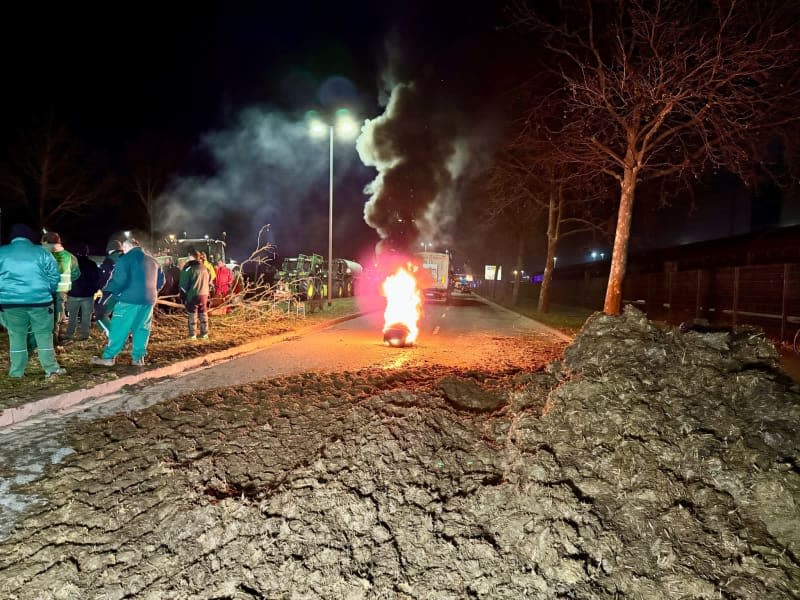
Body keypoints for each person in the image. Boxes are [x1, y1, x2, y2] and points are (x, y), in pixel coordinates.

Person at [0, 224, 65, 378]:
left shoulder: (2, 252)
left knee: (16, 335)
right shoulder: (41, 252)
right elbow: (54, 276)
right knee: (43, 335)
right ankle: (51, 369)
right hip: (40, 302)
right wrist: (47, 291)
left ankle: (16, 372)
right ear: (29, 237)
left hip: (10, 303)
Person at [90, 237, 164, 367]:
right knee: (142, 328)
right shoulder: (152, 260)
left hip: (128, 300)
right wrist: (151, 291)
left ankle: (109, 357)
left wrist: (109, 292)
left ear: (127, 247)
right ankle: (138, 359)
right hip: (148, 300)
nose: (122, 251)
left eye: (123, 248)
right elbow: (161, 281)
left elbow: (119, 281)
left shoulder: (125, 259)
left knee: (119, 328)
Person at [42, 231, 80, 342]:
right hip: (61, 291)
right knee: (56, 316)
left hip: (45, 290)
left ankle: (43, 342)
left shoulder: (43, 255)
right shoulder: (69, 256)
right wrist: (66, 279)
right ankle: (53, 340)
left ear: (45, 242)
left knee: (43, 315)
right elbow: (75, 273)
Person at [65, 244, 102, 342]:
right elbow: (97, 279)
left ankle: (69, 334)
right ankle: (84, 335)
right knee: (86, 316)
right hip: (88, 295)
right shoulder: (92, 264)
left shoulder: (71, 263)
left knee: (72, 316)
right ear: (86, 252)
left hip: (73, 294)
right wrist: (94, 289)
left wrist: (68, 290)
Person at [179, 249, 211, 340]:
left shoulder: (188, 268)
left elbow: (183, 285)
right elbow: (209, 279)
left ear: (191, 257)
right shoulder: (205, 268)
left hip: (193, 294)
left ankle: (192, 334)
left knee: (192, 314)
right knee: (203, 313)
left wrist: (183, 296)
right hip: (204, 294)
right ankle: (204, 333)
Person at [95, 238, 123, 336]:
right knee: (122, 316)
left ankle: (115, 336)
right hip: (128, 293)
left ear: (110, 249)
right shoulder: (127, 258)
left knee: (99, 314)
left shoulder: (110, 260)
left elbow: (104, 277)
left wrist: (98, 288)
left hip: (111, 291)